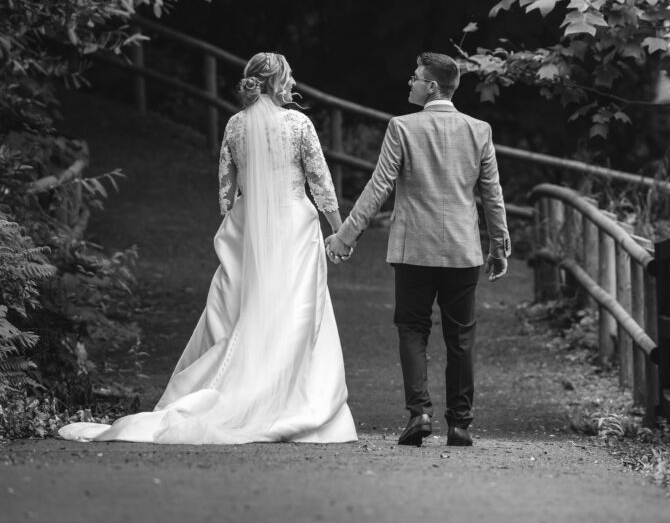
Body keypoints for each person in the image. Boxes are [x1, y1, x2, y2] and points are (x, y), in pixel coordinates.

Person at [59, 53, 357, 444]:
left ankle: (243, 387)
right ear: (275, 82)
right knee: (298, 309)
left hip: (248, 228)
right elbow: (320, 183)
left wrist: (243, 222)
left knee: (245, 308)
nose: (293, 81)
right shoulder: (299, 124)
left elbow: (225, 190)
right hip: (295, 228)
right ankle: (293, 396)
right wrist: (339, 232)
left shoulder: (235, 126)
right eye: (288, 76)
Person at [325, 51, 510, 448]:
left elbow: (379, 187)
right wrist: (499, 245)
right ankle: (460, 424)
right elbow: (491, 193)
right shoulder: (479, 130)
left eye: (414, 77)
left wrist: (345, 236)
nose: (409, 82)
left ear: (431, 87)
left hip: (413, 250)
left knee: (413, 330)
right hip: (463, 250)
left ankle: (420, 414)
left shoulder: (403, 128)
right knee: (461, 337)